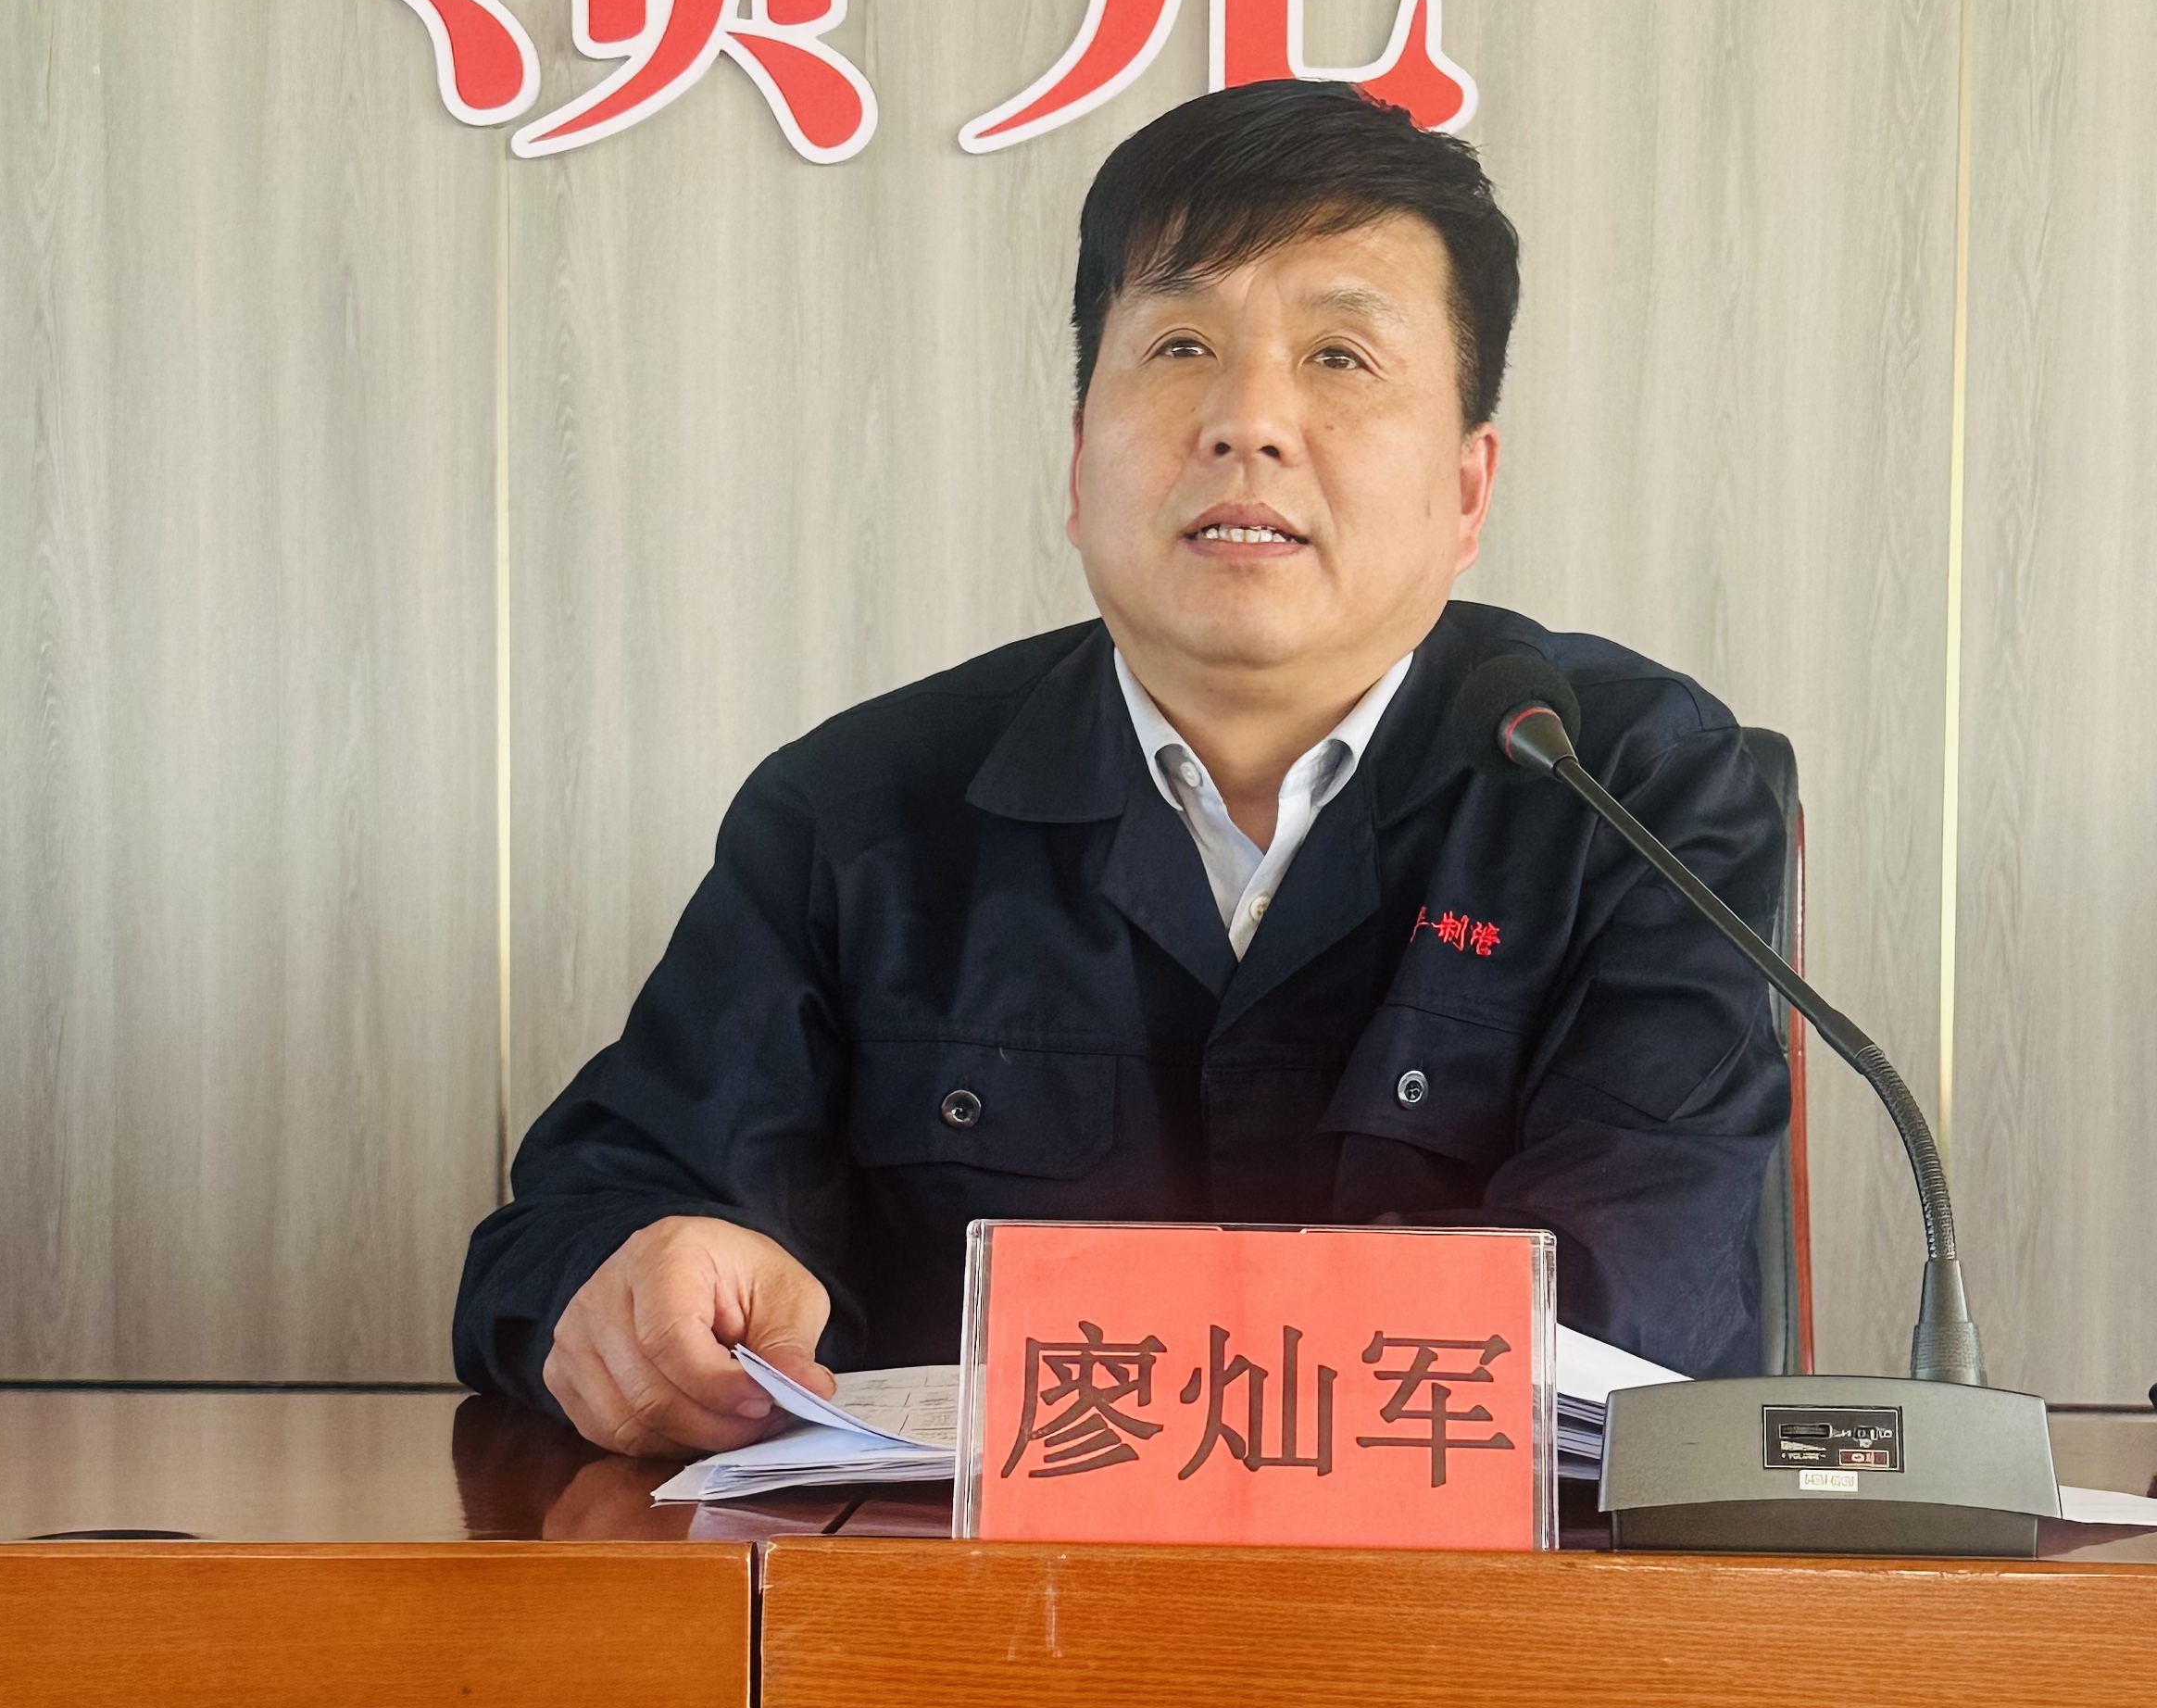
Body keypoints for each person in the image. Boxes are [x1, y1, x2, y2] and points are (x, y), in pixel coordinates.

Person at [455, 79, 1789, 1455]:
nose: (1247, 423)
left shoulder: (1632, 793)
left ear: (1466, 489)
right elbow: (573, 1224)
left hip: (1481, 1591)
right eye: (1180, 345)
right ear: (1078, 462)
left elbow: (1637, 1303)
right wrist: (632, 1287)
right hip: (969, 1590)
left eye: (1339, 357)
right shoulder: (858, 812)